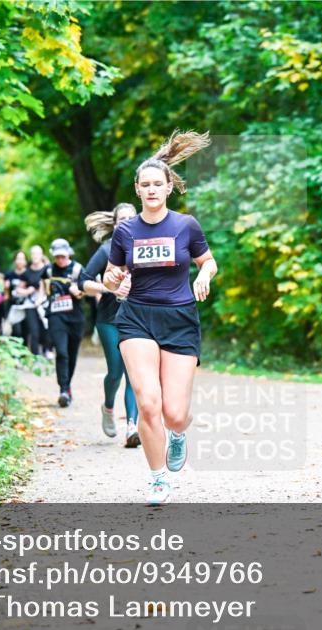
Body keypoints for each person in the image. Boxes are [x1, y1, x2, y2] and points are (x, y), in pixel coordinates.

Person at [102, 130, 217, 505]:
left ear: (169, 187)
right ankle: (157, 478)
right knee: (148, 403)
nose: (151, 190)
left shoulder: (186, 225)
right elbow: (110, 273)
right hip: (136, 317)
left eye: (158, 184)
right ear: (137, 190)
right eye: (145, 185)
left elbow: (208, 261)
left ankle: (179, 434)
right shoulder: (125, 231)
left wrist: (204, 274)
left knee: (175, 413)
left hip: (180, 318)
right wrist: (113, 279)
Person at [81, 203, 141, 446]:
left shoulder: (144, 247)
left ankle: (132, 427)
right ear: (114, 225)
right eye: (121, 220)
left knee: (133, 374)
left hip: (137, 319)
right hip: (109, 319)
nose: (126, 223)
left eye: (130, 219)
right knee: (115, 371)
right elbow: (82, 280)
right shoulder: (107, 250)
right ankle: (108, 407)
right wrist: (107, 287)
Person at [45, 238, 86, 407]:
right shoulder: (48, 270)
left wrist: (75, 290)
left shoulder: (77, 269)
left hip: (75, 317)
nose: (60, 259)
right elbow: (41, 285)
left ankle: (67, 386)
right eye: (57, 257)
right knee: (61, 352)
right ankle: (63, 389)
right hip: (56, 316)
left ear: (68, 253)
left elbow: (84, 291)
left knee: (72, 354)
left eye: (63, 256)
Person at [15, 245, 51, 357]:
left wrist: (42, 297)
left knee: (45, 330)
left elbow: (48, 285)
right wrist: (27, 291)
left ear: (41, 255)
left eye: (37, 254)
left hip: (45, 304)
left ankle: (47, 350)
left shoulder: (47, 269)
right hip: (30, 305)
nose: (35, 256)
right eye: (33, 254)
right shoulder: (27, 272)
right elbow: (18, 289)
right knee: (33, 331)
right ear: (31, 255)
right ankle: (35, 357)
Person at [3, 251, 28, 340]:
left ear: (25, 261)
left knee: (26, 332)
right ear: (15, 261)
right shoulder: (9, 275)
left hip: (26, 306)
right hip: (13, 306)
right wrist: (6, 288)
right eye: (18, 259)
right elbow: (6, 295)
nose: (20, 261)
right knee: (16, 331)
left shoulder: (29, 274)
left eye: (22, 259)